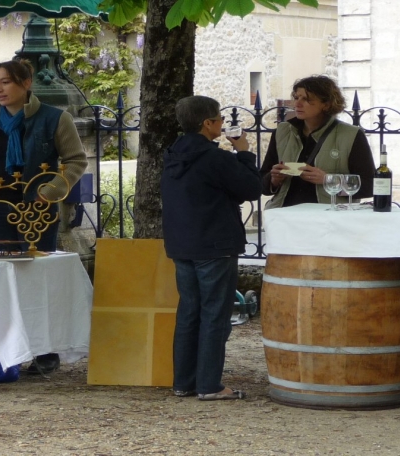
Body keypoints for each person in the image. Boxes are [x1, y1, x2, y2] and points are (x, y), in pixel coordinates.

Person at [0, 59, 87, 375]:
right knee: (6, 278)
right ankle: (12, 348)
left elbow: (75, 161)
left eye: (5, 82)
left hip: (37, 208)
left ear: (26, 83)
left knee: (35, 277)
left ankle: (45, 351)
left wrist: (51, 191)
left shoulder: (55, 118)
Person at [161, 95, 262, 401]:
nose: (221, 124)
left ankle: (184, 382)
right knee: (215, 315)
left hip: (182, 243)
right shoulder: (213, 157)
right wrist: (243, 153)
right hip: (215, 244)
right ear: (207, 123)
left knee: (189, 312)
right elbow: (250, 189)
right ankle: (209, 384)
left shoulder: (172, 154)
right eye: (218, 119)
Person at [260, 75, 375, 208]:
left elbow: (370, 185)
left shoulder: (352, 135)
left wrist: (328, 180)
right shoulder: (282, 132)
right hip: (285, 215)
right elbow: (262, 184)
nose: (297, 104)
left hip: (328, 218)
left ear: (326, 104)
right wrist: (274, 180)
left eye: (307, 99)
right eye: (297, 98)